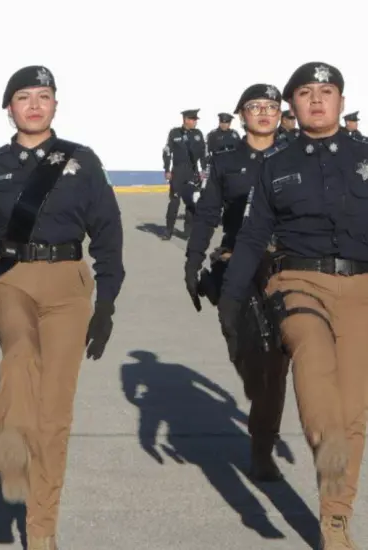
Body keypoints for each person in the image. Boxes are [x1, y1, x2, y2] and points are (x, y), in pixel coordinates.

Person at [0, 65, 124, 550]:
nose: (33, 104)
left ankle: (42, 527)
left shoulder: (82, 162)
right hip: (9, 279)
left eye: (43, 96)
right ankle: (11, 442)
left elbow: (108, 231)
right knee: (21, 349)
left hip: (69, 284)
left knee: (55, 413)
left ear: (55, 105)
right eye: (23, 96)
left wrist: (106, 299)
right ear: (8, 107)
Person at [219, 62, 368, 549]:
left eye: (327, 91)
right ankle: (327, 460)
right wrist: (231, 297)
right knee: (315, 375)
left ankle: (335, 518)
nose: (318, 100)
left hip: (361, 287)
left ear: (342, 102)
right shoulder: (275, 166)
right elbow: (253, 236)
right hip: (297, 281)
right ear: (293, 106)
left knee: (353, 411)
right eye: (306, 93)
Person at [185, 83, 290, 482]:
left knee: (276, 363)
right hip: (236, 266)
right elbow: (208, 213)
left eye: (271, 106)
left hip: (282, 264)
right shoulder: (226, 161)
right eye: (254, 106)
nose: (264, 112)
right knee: (248, 354)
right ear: (241, 114)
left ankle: (262, 447)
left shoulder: (294, 155)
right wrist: (192, 262)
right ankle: (254, 380)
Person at [162, 109, 207, 239]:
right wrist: (167, 169)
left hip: (192, 172)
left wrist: (203, 170)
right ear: (186, 119)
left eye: (196, 120)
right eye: (193, 119)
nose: (195, 122)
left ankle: (187, 232)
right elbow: (167, 151)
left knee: (191, 203)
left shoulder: (198, 134)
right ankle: (168, 231)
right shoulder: (174, 132)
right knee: (174, 202)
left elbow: (203, 153)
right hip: (178, 171)